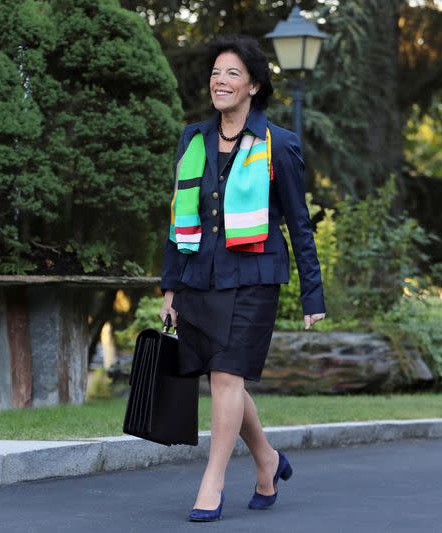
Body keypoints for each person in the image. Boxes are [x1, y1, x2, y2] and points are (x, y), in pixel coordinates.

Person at [159, 34, 326, 522]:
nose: (220, 80)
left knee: (229, 375)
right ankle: (268, 461)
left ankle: (211, 482)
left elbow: (299, 222)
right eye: (215, 72)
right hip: (201, 277)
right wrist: (170, 288)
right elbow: (177, 218)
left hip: (254, 277)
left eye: (232, 73)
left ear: (253, 85)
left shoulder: (280, 144)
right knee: (221, 379)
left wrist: (312, 293)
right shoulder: (193, 140)